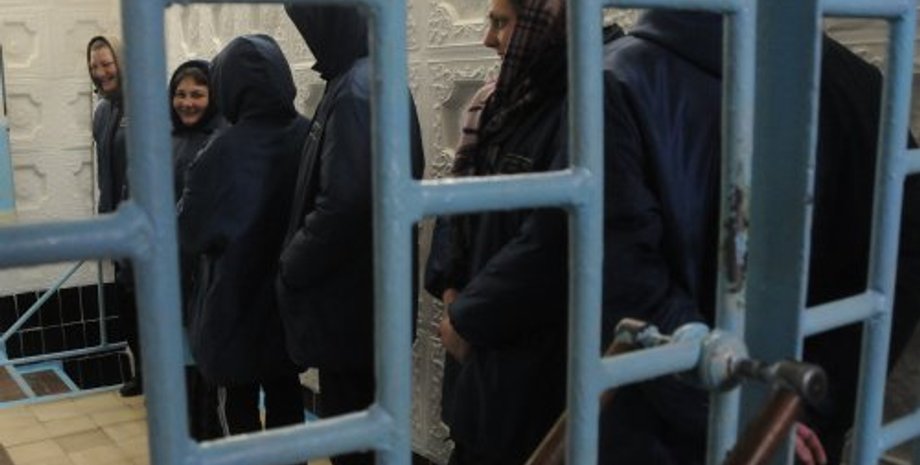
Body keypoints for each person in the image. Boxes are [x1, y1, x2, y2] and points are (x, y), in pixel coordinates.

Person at [599, 11, 920, 465]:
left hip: (658, 423)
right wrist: (809, 401)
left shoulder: (615, 79)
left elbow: (621, 276)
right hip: (798, 427)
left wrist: (722, 400)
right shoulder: (862, 86)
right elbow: (898, 265)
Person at [422, 0, 574, 463]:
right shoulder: (499, 100)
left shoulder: (578, 107)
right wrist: (451, 290)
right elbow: (456, 204)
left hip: (526, 365)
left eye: (502, 23)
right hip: (481, 352)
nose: (488, 38)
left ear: (544, 24)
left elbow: (548, 243)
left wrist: (466, 317)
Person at [277, 5, 424, 465]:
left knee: (355, 442)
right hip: (364, 302)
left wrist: (292, 263)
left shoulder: (358, 88)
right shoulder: (361, 79)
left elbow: (346, 202)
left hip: (352, 304)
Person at [177, 34, 307, 436]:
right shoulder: (309, 135)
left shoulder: (220, 151)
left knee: (238, 406)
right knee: (287, 398)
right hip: (290, 301)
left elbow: (190, 234)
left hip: (231, 304)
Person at [168, 58, 225, 442]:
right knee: (183, 372)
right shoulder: (165, 140)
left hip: (207, 277)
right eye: (180, 94)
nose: (187, 102)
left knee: (208, 377)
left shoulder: (222, 139)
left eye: (197, 94)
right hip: (173, 276)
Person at [87, 35, 143, 398]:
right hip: (115, 226)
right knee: (127, 306)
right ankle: (143, 374)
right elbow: (104, 173)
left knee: (150, 306)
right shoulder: (102, 112)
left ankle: (167, 380)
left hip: (142, 227)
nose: (101, 72)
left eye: (107, 63)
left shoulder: (146, 107)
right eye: (94, 66)